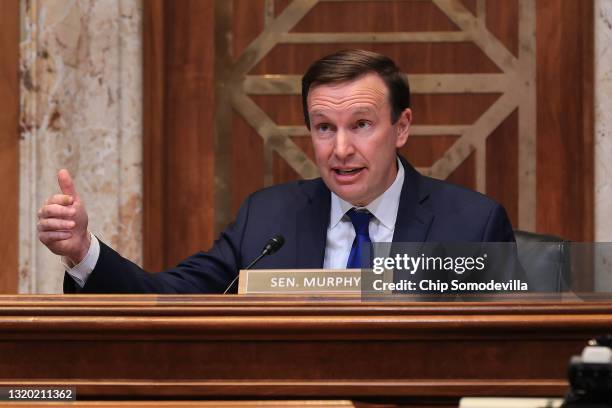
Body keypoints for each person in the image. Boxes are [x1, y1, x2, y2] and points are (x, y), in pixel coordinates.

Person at [38, 49, 518, 294]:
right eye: (324, 127)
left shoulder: (472, 224)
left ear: (402, 126)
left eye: (362, 125)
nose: (341, 149)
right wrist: (83, 252)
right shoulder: (267, 218)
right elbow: (172, 298)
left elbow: (505, 358)